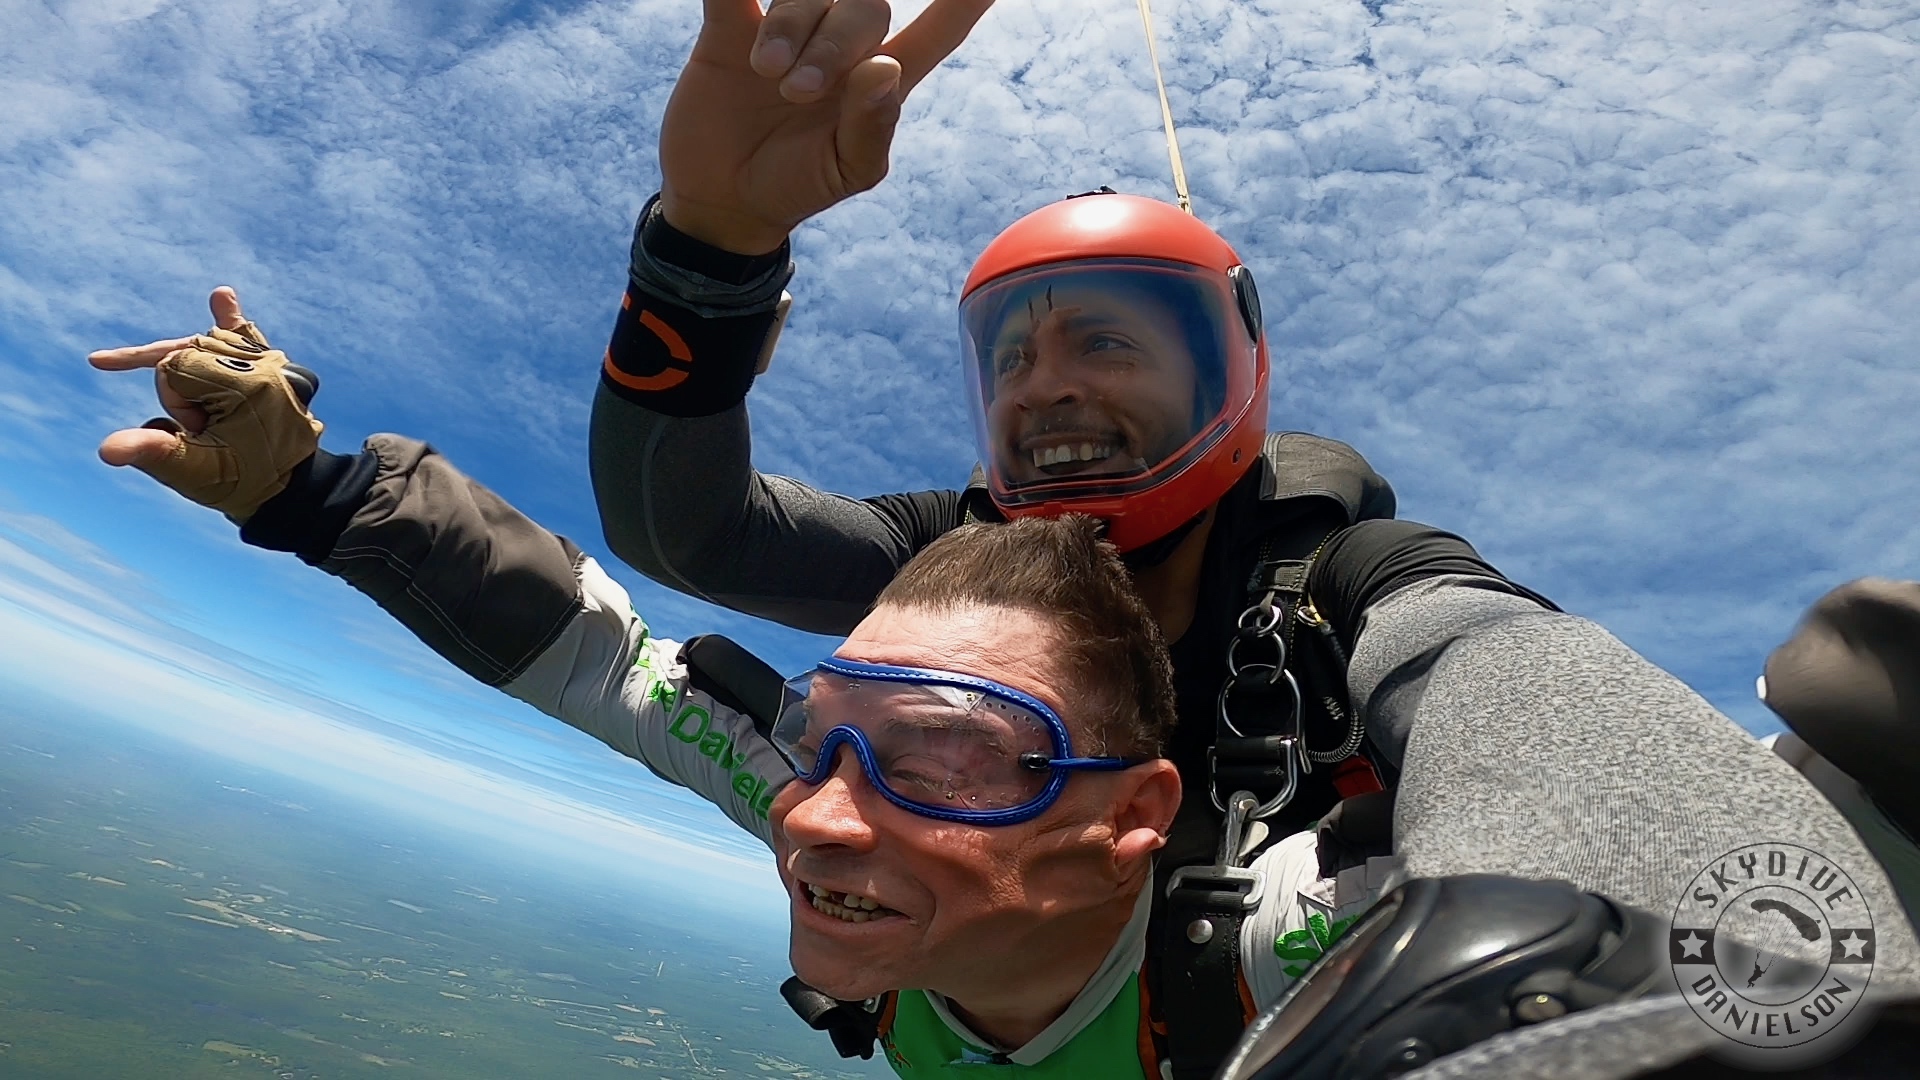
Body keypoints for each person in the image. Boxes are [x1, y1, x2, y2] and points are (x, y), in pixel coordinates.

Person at [87, 292, 1920, 1078]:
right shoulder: (841, 800)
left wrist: (1630, 1000)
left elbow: (1552, 783)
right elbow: (603, 656)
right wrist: (314, 497)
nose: (814, 812)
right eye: (834, 733)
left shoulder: (1291, 932)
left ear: (1137, 822)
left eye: (955, 754)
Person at [591, 0, 1549, 870]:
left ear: (1226, 369)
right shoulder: (957, 549)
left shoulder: (1348, 578)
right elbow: (689, 531)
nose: (1041, 387)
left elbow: (1516, 688)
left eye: (1104, 342)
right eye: (1009, 359)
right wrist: (709, 250)